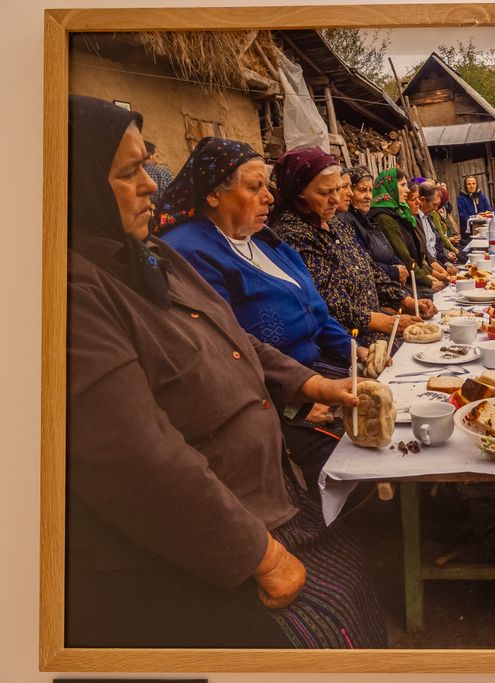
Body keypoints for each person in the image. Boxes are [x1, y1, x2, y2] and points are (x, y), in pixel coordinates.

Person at [66, 95, 386, 649]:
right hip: (197, 530)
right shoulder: (73, 292)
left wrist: (316, 383)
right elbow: (137, 456)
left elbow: (236, 339)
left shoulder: (152, 259)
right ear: (69, 183)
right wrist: (260, 557)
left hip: (260, 487)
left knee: (357, 571)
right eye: (128, 172)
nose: (150, 185)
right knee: (324, 617)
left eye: (149, 164)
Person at [156, 138, 360, 374]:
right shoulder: (189, 252)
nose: (269, 198)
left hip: (313, 370)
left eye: (266, 186)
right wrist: (304, 395)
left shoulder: (266, 242)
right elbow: (222, 350)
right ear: (214, 195)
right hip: (270, 389)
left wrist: (355, 351)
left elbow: (314, 313)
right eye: (254, 188)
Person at [268, 147, 433, 346]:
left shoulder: (335, 223)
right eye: (325, 192)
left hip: (374, 335)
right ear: (298, 192)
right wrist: (383, 321)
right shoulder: (293, 234)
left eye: (337, 189)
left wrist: (405, 300)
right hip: (345, 344)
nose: (336, 199)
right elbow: (328, 301)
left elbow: (368, 268)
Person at [369, 167, 444, 294]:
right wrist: (429, 281)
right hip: (404, 285)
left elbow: (417, 260)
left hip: (415, 278)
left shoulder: (400, 214)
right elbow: (405, 258)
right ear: (390, 187)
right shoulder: (385, 218)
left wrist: (430, 276)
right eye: (403, 185)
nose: (407, 189)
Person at [346, 165, 409, 286]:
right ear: (349, 191)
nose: (369, 196)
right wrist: (394, 271)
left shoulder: (366, 219)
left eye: (370, 190)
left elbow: (389, 251)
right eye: (362, 190)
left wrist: (401, 267)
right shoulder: (348, 222)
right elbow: (362, 264)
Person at [456, 175, 492, 240]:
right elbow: (463, 215)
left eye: (474, 183)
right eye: (469, 184)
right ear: (465, 186)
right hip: (469, 231)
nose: (472, 186)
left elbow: (489, 210)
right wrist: (477, 217)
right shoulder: (461, 198)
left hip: (483, 228)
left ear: (476, 184)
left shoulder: (481, 196)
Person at [142, 140, 174, 204]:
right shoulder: (164, 173)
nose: (157, 161)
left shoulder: (132, 174)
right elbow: (173, 197)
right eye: (156, 156)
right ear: (150, 155)